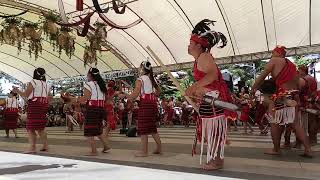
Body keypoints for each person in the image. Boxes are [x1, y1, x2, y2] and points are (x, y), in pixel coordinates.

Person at [185, 19, 230, 170]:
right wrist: (195, 93)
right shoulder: (200, 59)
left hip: (212, 100)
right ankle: (217, 160)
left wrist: (194, 87)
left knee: (213, 131)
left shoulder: (204, 56)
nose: (188, 45)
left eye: (191, 42)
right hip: (209, 101)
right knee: (212, 132)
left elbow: (212, 76)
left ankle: (216, 161)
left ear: (198, 45)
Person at [251, 46, 312, 157]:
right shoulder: (292, 65)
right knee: (296, 124)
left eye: (273, 52)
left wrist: (253, 88)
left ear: (278, 53)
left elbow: (263, 75)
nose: (271, 54)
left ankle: (276, 149)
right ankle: (308, 149)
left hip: (281, 96)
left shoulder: (275, 60)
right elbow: (298, 83)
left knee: (274, 122)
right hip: (293, 95)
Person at [120, 61, 162, 157]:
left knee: (143, 127)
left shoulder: (140, 79)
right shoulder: (151, 78)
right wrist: (151, 95)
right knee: (152, 127)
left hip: (146, 104)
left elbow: (135, 93)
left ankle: (144, 152)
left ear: (142, 68)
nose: (139, 69)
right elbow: (159, 91)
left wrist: (128, 97)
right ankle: (159, 148)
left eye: (140, 67)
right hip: (153, 104)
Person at [12, 67, 51, 153]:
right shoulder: (46, 84)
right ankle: (45, 145)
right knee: (41, 127)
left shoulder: (33, 82)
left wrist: (17, 90)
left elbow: (26, 94)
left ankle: (32, 147)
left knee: (31, 127)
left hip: (34, 105)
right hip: (43, 105)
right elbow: (50, 97)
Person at [76, 68, 109, 156]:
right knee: (98, 130)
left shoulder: (89, 84)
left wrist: (77, 100)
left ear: (90, 75)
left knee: (89, 130)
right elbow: (106, 98)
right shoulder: (102, 84)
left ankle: (94, 151)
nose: (87, 76)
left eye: (87, 74)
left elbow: (86, 97)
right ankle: (106, 146)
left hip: (92, 109)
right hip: (101, 109)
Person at [298, 65, 318, 146]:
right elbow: (314, 92)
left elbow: (302, 91)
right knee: (312, 122)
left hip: (306, 102)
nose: (298, 72)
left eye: (299, 71)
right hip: (312, 102)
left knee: (304, 123)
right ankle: (313, 140)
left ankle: (303, 141)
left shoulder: (304, 79)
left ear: (302, 71)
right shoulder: (312, 78)